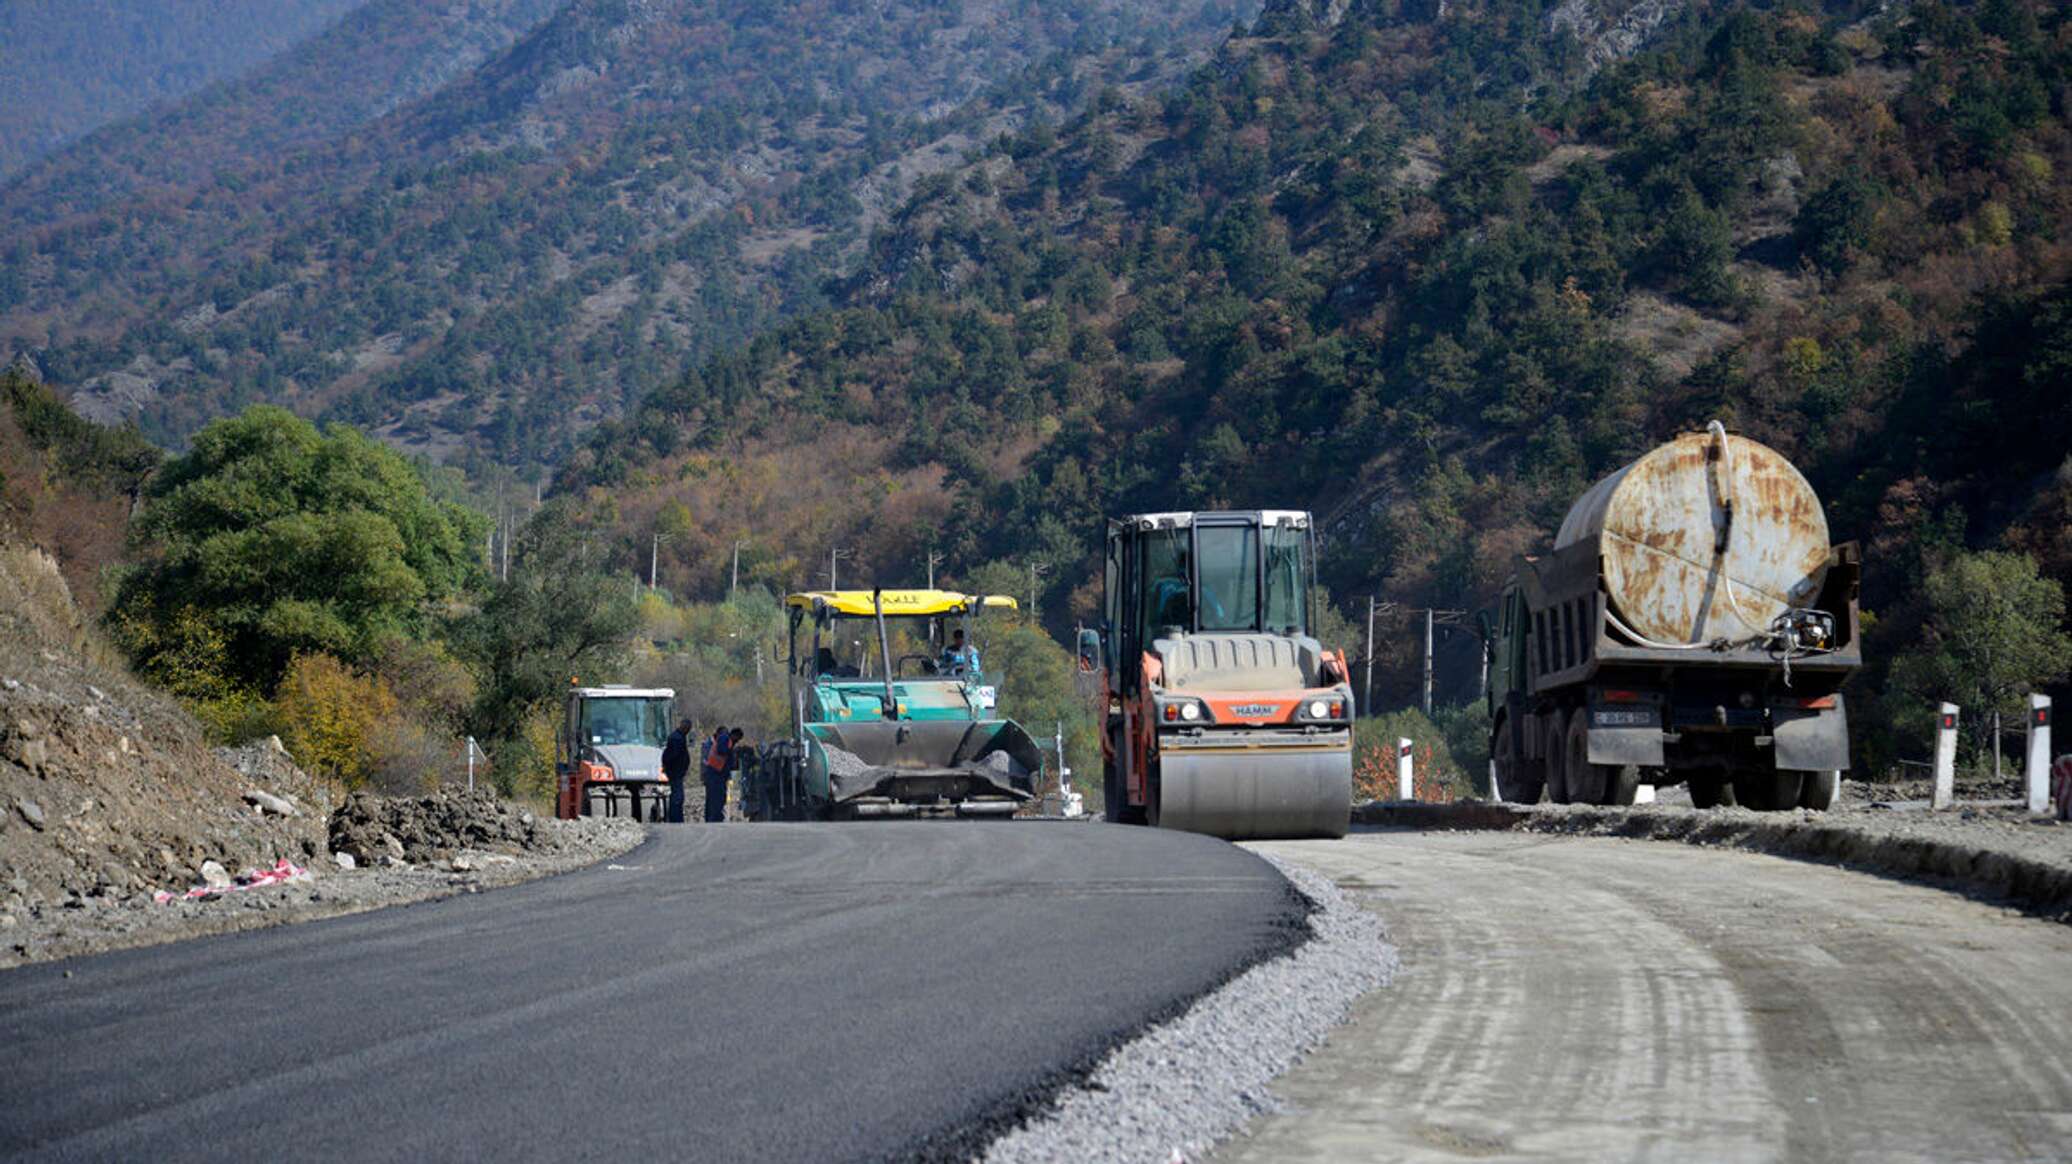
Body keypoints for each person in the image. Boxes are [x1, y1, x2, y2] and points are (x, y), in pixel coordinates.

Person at [662, 717, 693, 824]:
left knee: (677, 796)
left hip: (676, 771)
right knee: (677, 797)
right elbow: (674, 756)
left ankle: (676, 818)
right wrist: (677, 767)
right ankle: (676, 819)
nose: (688, 730)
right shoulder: (677, 738)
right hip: (675, 772)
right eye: (687, 728)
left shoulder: (678, 737)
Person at [701, 724, 733, 823]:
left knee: (714, 797)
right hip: (714, 774)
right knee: (714, 797)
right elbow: (705, 761)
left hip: (716, 774)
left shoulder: (713, 743)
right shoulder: (709, 744)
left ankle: (713, 818)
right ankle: (713, 818)